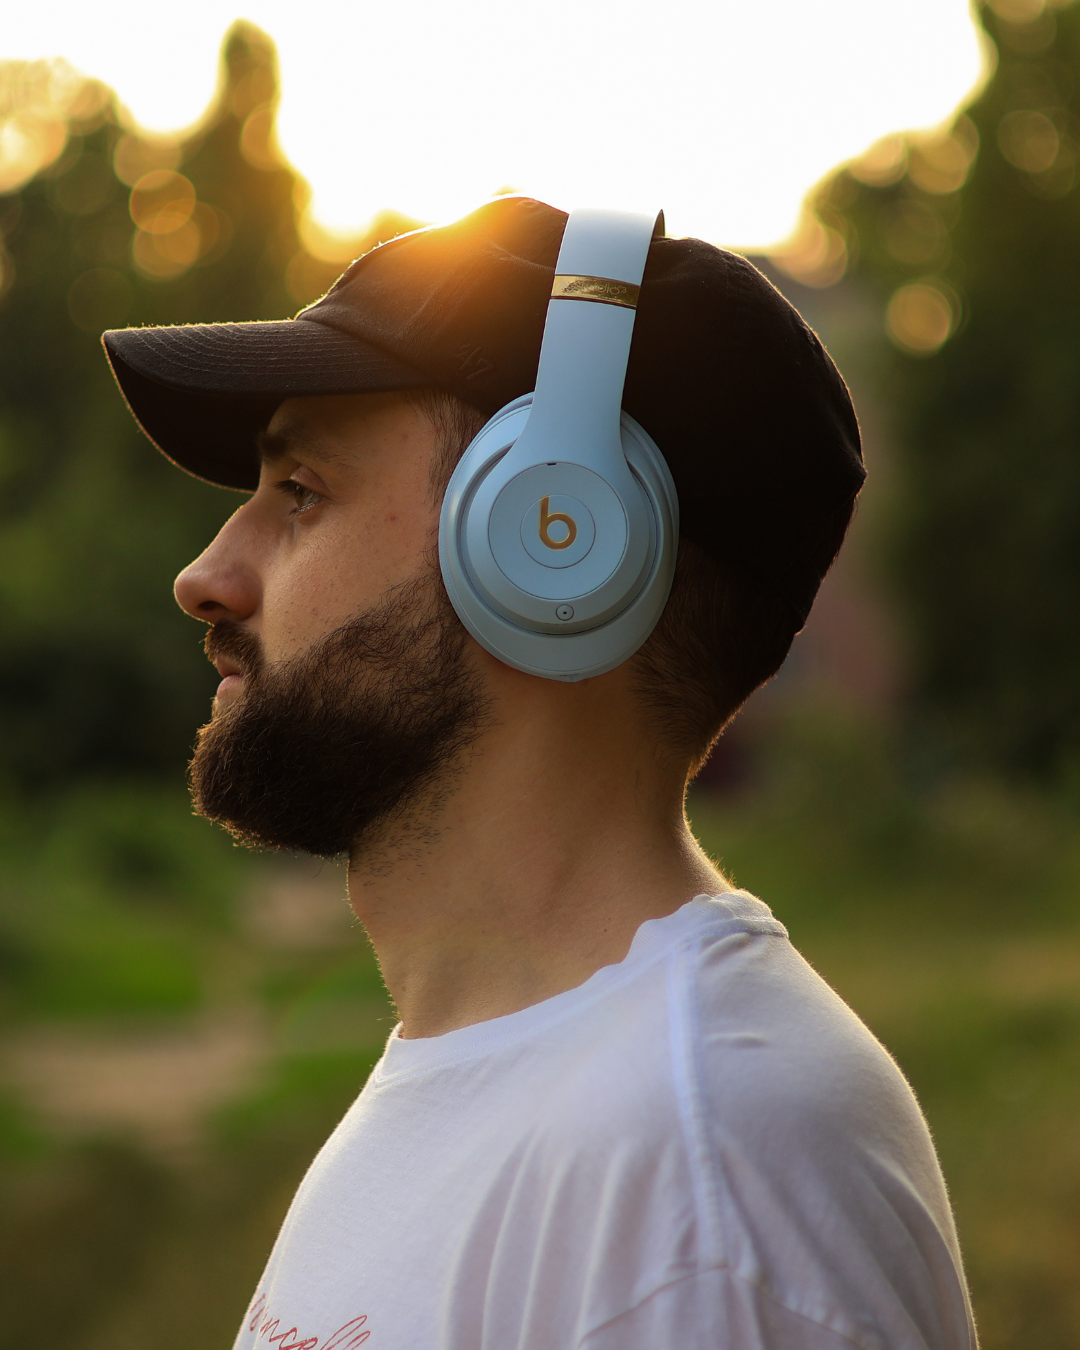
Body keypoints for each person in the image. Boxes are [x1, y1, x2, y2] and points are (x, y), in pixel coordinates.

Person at [102, 196, 977, 1350]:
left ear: (551, 541)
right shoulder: (526, 1086)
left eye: (300, 492)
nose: (206, 574)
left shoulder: (695, 1174)